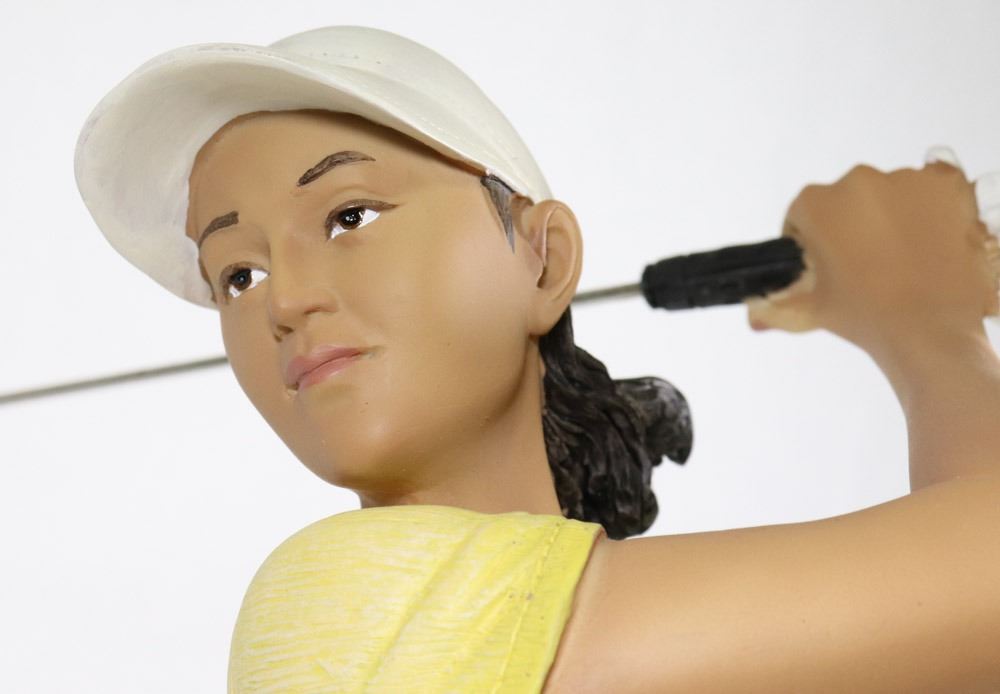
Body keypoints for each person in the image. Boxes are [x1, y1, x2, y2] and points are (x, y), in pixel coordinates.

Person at [75, 26, 1000, 692]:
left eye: (349, 216)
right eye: (237, 275)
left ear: (544, 259)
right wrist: (927, 319)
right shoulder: (342, 605)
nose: (282, 302)